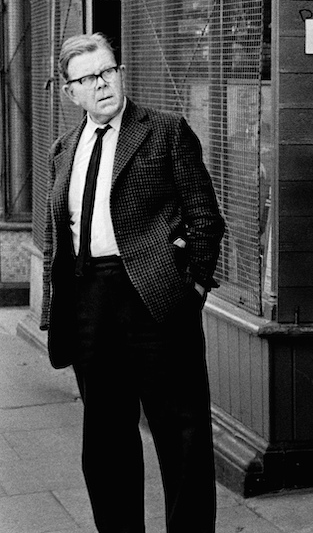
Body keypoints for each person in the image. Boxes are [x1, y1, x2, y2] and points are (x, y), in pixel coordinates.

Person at [41, 33, 225, 532]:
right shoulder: (63, 151)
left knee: (182, 439)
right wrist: (57, 312)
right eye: (87, 79)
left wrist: (194, 290)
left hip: (156, 302)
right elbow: (57, 236)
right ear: (70, 91)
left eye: (108, 72)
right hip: (89, 305)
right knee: (105, 441)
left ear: (119, 73)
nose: (101, 85)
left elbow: (206, 217)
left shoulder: (164, 132)